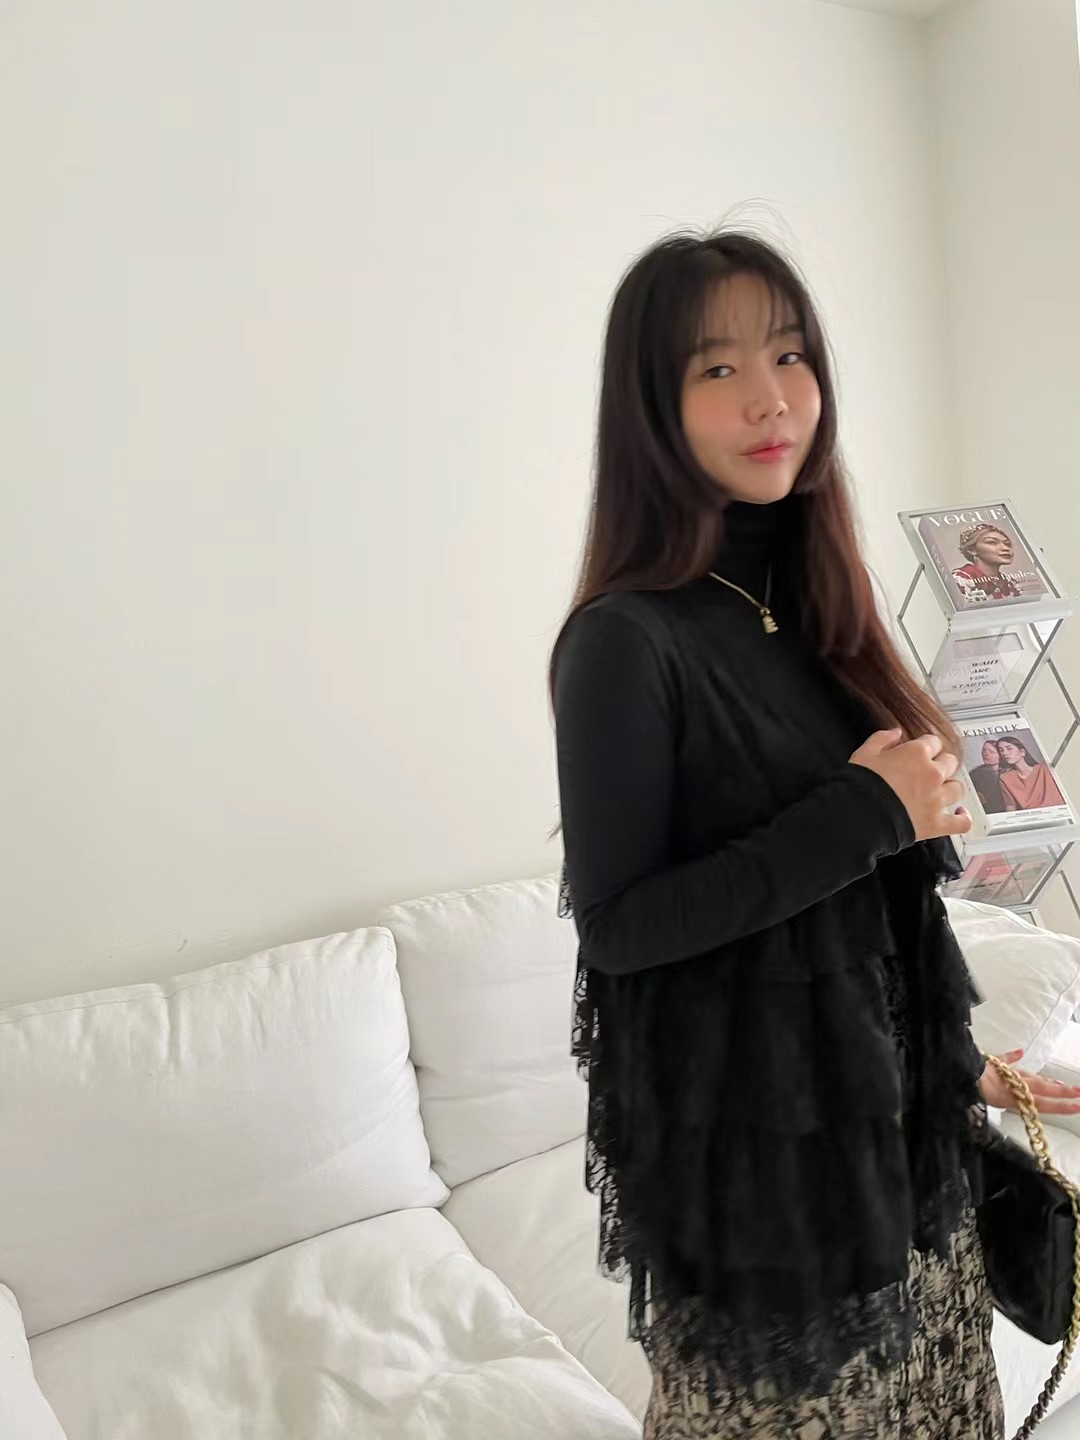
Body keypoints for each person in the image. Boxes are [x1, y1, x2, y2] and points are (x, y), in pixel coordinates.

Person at [549, 230, 1080, 1440]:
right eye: (717, 367)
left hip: (904, 1152)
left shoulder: (819, 606)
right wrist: (867, 811)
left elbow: (875, 919)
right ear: (650, 405)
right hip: (767, 1194)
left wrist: (962, 1063)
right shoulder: (624, 643)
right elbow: (621, 929)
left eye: (789, 355)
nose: (771, 397)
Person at [952, 524, 1022, 603]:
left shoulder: (1009, 582)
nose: (1005, 548)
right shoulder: (960, 579)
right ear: (972, 550)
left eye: (1007, 544)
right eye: (992, 542)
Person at [997, 734, 1066, 812]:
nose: (1004, 753)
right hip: (1031, 815)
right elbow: (1010, 805)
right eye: (1001, 750)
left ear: (1022, 752)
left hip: (1059, 812)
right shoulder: (1005, 778)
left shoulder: (1044, 768)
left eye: (1009, 749)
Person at [969, 739, 1006, 815]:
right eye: (984, 750)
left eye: (991, 752)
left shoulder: (1009, 773)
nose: (985, 754)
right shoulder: (975, 773)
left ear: (1000, 755)